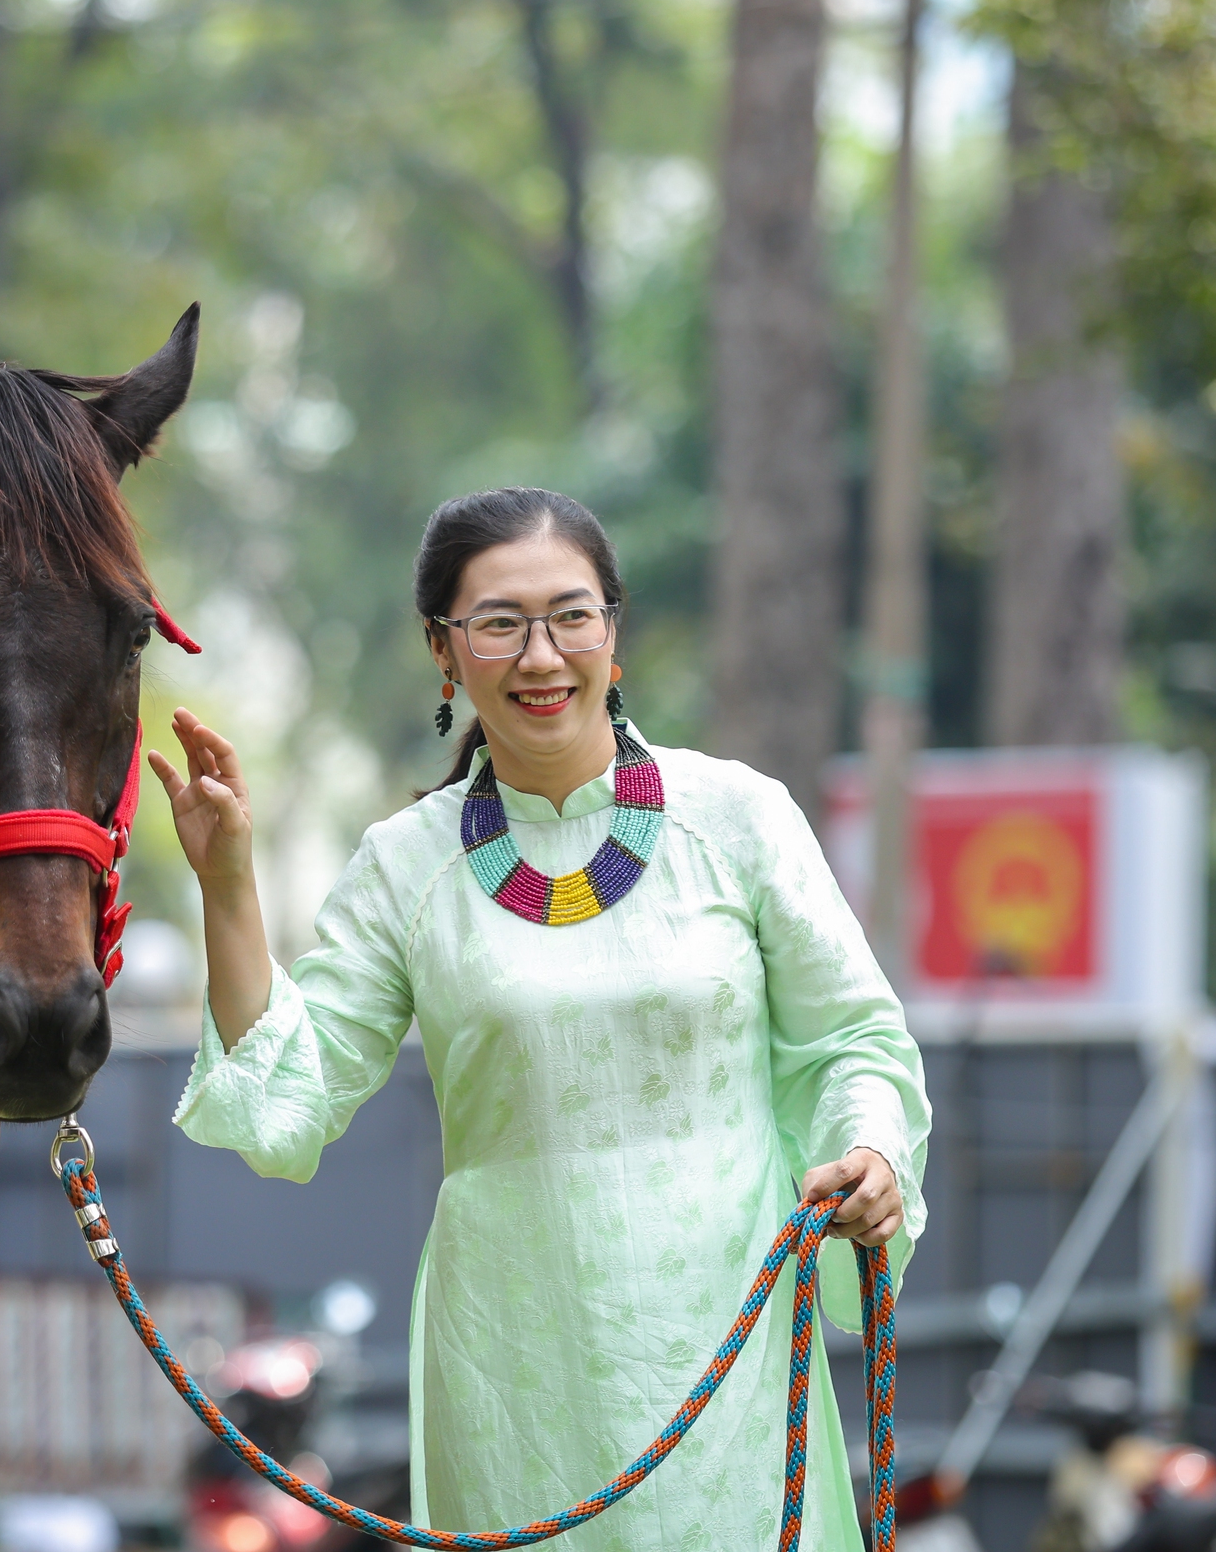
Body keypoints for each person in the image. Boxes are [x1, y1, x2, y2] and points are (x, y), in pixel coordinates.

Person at [147, 487, 929, 1552]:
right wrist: (229, 886)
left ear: (613, 630)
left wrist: (870, 1151)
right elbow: (288, 1094)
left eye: (570, 616)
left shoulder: (739, 819)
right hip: (514, 1361)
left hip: (729, 1339)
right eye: (499, 624)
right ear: (443, 650)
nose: (541, 656)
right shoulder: (403, 867)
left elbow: (854, 1041)